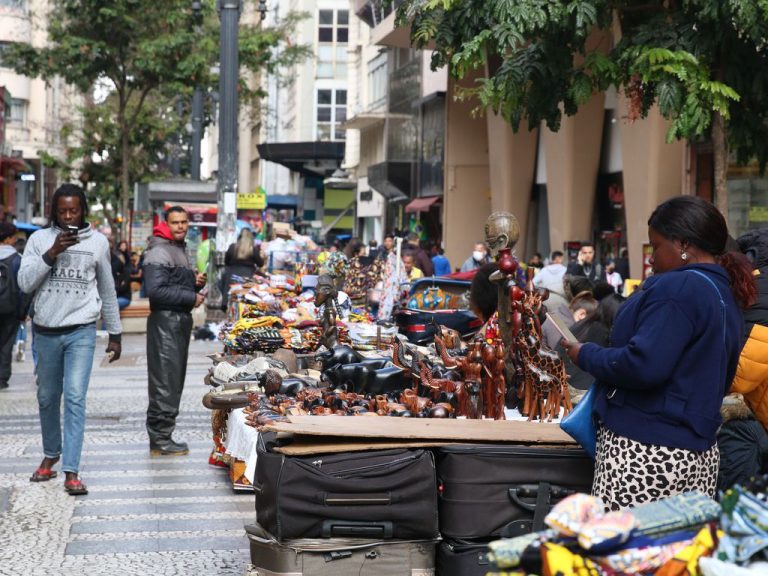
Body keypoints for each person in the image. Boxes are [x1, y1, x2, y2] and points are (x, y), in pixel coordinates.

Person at [562, 196, 756, 510]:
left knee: (626, 554)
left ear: (682, 244)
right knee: (676, 556)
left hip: (647, 450)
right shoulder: (724, 293)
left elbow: (643, 365)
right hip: (699, 453)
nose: (651, 259)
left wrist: (587, 354)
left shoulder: (679, 288)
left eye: (656, 246)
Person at [18, 184, 122, 495]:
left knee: (75, 397)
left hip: (82, 331)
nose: (68, 216)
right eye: (62, 211)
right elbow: (24, 283)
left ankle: (71, 470)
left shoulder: (99, 244)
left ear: (83, 210)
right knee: (47, 397)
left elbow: (107, 290)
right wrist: (51, 254)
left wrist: (115, 334)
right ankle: (51, 454)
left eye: (73, 210)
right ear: (54, 212)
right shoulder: (38, 240)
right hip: (46, 331)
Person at [143, 206, 206, 456]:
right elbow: (156, 291)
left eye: (184, 222)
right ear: (166, 224)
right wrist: (191, 296)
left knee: (173, 379)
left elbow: (171, 283)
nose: (180, 226)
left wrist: (194, 282)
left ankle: (163, 435)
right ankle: (159, 438)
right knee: (165, 381)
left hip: (177, 321)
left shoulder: (177, 248)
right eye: (175, 222)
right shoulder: (159, 250)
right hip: (165, 323)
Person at [0, 223, 23, 389]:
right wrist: (23, 311)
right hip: (10, 308)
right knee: (7, 344)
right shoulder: (17, 260)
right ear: (8, 239)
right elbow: (23, 287)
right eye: (13, 236)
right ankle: (2, 377)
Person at [221, 228, 263, 310]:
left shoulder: (232, 247)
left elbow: (226, 261)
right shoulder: (253, 249)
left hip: (232, 277)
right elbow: (260, 263)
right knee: (244, 303)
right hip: (247, 278)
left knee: (230, 299)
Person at [109, 237, 132, 310]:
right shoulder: (114, 272)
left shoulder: (126, 272)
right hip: (116, 298)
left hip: (124, 298)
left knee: (111, 306)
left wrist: (117, 287)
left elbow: (122, 288)